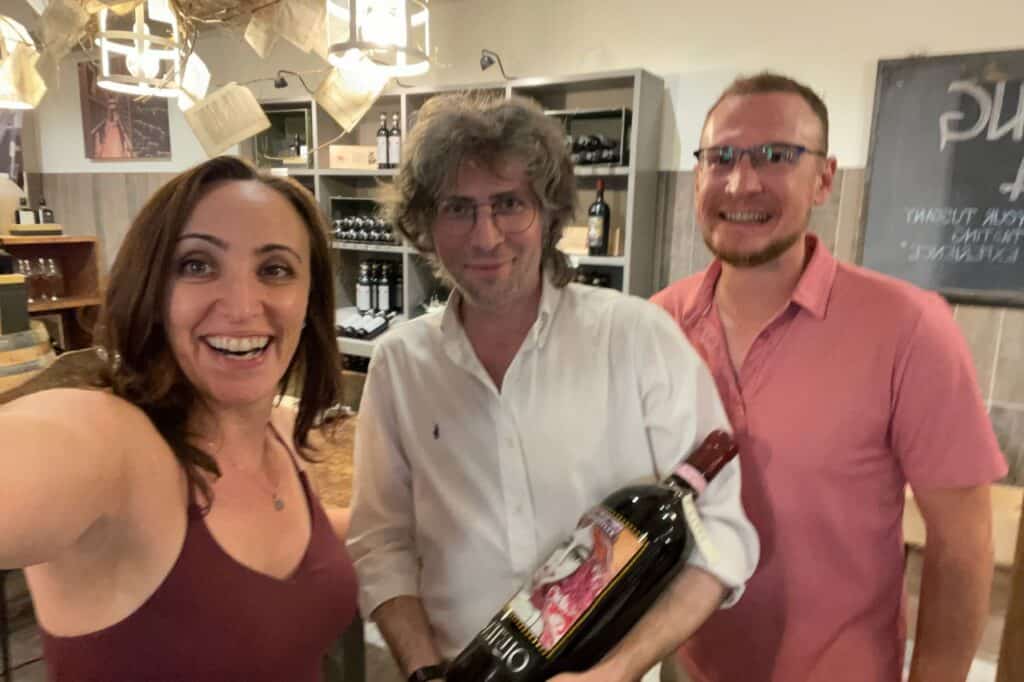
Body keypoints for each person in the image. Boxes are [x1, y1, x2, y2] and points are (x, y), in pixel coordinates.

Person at [347, 93, 760, 682]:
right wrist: (422, 670)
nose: (486, 237)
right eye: (457, 208)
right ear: (424, 224)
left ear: (547, 212)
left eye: (509, 204)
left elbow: (720, 534)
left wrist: (616, 671)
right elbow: (380, 544)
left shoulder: (637, 337)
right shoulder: (400, 364)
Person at [651, 72, 1007, 682]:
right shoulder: (657, 324)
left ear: (823, 178)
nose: (741, 181)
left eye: (775, 155)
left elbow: (962, 544)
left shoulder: (909, 326)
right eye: (720, 157)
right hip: (687, 667)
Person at [0, 156, 357, 681]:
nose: (241, 306)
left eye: (274, 269)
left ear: (310, 300)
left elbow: (284, 553)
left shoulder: (279, 433)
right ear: (150, 287)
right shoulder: (109, 442)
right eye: (197, 265)